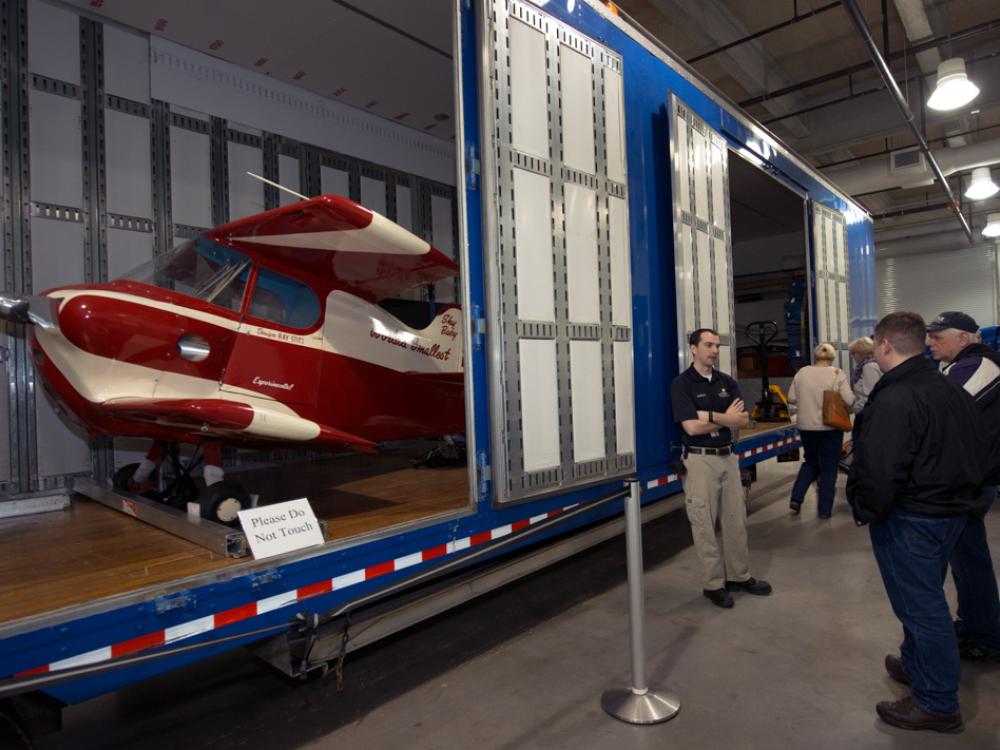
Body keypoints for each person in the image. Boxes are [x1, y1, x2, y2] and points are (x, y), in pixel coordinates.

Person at [847, 311, 990, 734]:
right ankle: (915, 665)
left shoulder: (896, 398)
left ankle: (937, 702)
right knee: (923, 602)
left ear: (886, 346)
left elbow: (879, 468)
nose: (874, 348)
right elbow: (980, 449)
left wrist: (866, 509)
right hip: (950, 513)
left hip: (913, 519)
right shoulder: (948, 388)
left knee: (921, 608)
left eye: (875, 342)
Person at [670, 328, 772, 609]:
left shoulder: (727, 382)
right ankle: (713, 585)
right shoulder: (682, 384)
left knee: (735, 521)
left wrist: (710, 417)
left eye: (716, 345)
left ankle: (740, 576)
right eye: (707, 345)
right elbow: (690, 426)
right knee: (704, 524)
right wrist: (725, 417)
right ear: (693, 348)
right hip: (700, 460)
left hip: (728, 457)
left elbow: (741, 420)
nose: (714, 350)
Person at [927, 311, 1000, 663]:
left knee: (970, 561)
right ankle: (976, 623)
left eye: (939, 336)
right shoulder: (956, 367)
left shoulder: (980, 365)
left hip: (973, 481)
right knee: (967, 558)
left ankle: (985, 635)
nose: (931, 342)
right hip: (968, 479)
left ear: (965, 338)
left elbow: (940, 410)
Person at [786, 343, 854, 518]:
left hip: (806, 427)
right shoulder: (837, 374)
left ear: (814, 356)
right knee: (829, 468)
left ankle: (796, 498)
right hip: (830, 428)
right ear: (832, 358)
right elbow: (849, 399)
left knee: (810, 462)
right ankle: (824, 511)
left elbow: (791, 397)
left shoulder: (802, 373)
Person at [848, 336, 881, 413]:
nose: (853, 357)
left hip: (868, 412)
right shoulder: (873, 363)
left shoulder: (869, 367)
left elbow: (870, 394)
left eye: (853, 353)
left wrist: (856, 409)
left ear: (860, 353)